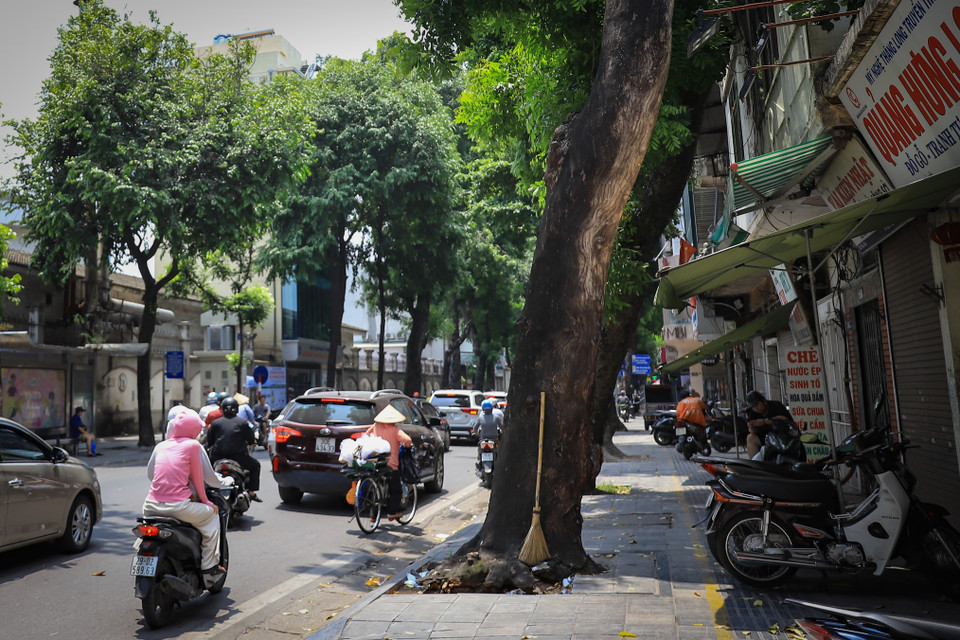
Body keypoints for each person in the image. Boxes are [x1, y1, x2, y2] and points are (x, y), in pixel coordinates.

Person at [143, 408, 225, 581]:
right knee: (212, 517)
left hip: (150, 506)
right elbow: (197, 478)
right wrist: (207, 502)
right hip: (178, 507)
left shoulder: (160, 446)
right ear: (194, 430)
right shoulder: (193, 445)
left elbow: (151, 475)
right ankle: (209, 566)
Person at [206, 397, 262, 502]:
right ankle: (251, 493)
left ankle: (206, 492)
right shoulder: (242, 423)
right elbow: (250, 439)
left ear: (222, 409)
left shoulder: (216, 423)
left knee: (207, 470)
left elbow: (210, 442)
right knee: (255, 466)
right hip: (239, 457)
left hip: (218, 456)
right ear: (236, 409)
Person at [364, 405, 412, 521]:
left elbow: (366, 435)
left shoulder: (376, 426)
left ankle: (373, 516)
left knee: (376, 489)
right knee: (396, 491)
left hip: (375, 463)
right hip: (390, 465)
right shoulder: (395, 430)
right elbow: (408, 440)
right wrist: (407, 446)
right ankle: (391, 513)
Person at [742, 390, 795, 458]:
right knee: (750, 437)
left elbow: (785, 419)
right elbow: (753, 431)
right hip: (765, 438)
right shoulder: (752, 412)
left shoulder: (776, 405)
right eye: (753, 407)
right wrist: (751, 426)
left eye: (757, 405)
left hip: (781, 436)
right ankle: (756, 466)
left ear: (763, 401)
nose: (756, 408)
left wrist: (765, 421)